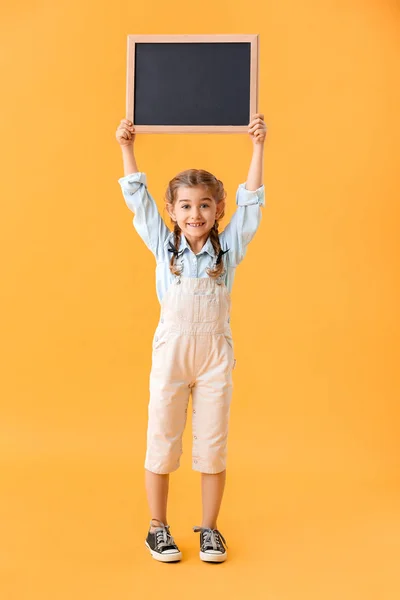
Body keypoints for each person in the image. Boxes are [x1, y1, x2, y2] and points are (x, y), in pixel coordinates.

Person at [115, 113, 267, 563]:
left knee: (212, 443)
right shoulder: (165, 247)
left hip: (214, 357)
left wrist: (258, 146)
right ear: (172, 211)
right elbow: (137, 201)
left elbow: (253, 203)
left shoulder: (229, 248)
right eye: (185, 205)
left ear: (218, 210)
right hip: (172, 355)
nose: (194, 214)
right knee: (162, 437)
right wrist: (127, 146)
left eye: (204, 205)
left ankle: (209, 529)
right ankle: (157, 527)